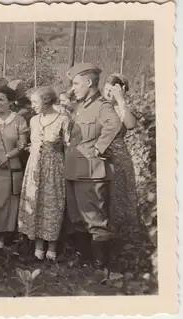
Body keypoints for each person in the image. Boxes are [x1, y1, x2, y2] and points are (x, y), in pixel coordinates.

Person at [64, 63, 122, 269]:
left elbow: (114, 124)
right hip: (73, 169)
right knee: (77, 217)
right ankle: (83, 257)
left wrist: (99, 148)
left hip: (91, 171)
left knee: (95, 219)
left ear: (89, 83)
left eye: (76, 83)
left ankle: (100, 264)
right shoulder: (80, 106)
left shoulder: (102, 105)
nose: (73, 88)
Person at [18, 87, 71, 261]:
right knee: (36, 201)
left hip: (53, 167)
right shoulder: (33, 120)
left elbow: (69, 146)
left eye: (35, 102)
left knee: (52, 203)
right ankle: (38, 247)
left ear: (47, 101)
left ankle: (52, 247)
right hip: (34, 166)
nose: (33, 106)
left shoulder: (63, 120)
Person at [0, 84, 28, 254]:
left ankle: (1, 241)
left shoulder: (19, 120)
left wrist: (7, 156)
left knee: (7, 204)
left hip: (10, 168)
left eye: (1, 99)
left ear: (11, 101)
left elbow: (22, 144)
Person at [102, 73, 139, 238]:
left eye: (113, 91)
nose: (108, 94)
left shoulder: (121, 108)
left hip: (118, 157)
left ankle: (119, 237)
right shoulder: (99, 106)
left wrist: (121, 100)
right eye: (106, 89)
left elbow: (131, 125)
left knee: (118, 196)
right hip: (99, 156)